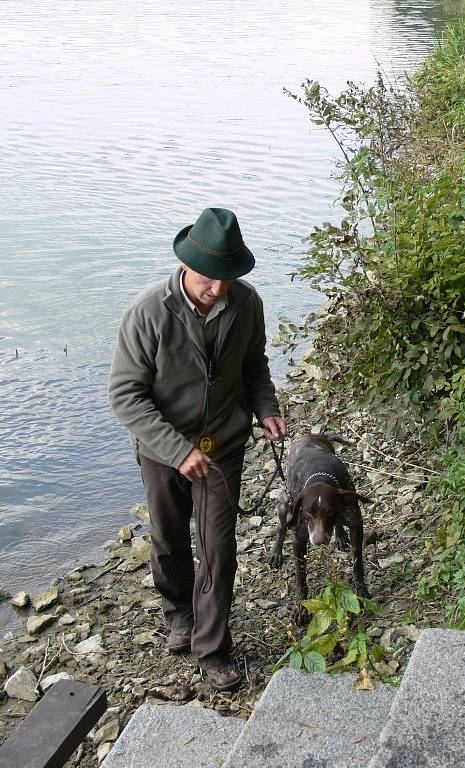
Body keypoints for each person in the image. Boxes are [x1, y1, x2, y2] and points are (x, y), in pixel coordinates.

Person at [108, 207, 287, 691]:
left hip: (223, 443)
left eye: (226, 279)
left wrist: (265, 406)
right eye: (209, 278)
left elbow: (255, 365)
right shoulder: (148, 312)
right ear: (186, 265)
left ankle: (212, 647)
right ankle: (179, 614)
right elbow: (124, 395)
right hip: (162, 448)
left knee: (219, 547)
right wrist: (175, 449)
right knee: (168, 538)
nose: (217, 289)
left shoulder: (247, 304)